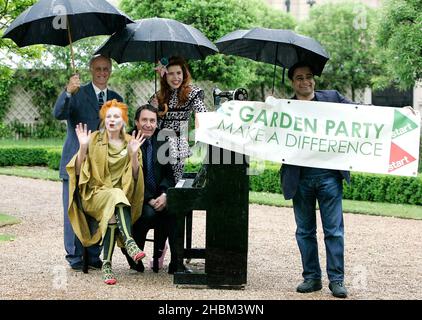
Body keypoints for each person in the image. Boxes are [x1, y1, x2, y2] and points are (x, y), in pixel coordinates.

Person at [280, 62, 352, 298]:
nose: (305, 82)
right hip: (299, 179)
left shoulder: (332, 98)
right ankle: (311, 278)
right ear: (292, 82)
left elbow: (364, 114)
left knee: (334, 231)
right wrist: (269, 111)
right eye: (299, 78)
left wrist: (400, 113)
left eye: (308, 77)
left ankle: (337, 280)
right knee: (304, 231)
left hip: (329, 177)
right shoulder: (283, 108)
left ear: (314, 79)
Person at [53, 55, 123, 270]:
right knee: (73, 209)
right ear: (91, 70)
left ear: (110, 71)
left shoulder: (115, 97)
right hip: (75, 160)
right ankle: (75, 257)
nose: (102, 72)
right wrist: (67, 92)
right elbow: (58, 114)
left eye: (106, 69)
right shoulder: (77, 92)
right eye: (98, 69)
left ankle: (93, 256)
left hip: (102, 165)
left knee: (96, 209)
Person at [66, 99, 146, 285]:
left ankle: (107, 265)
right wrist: (83, 147)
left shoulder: (130, 142)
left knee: (115, 202)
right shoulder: (93, 139)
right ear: (104, 119)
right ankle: (129, 241)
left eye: (116, 116)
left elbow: (135, 177)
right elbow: (77, 172)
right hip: (94, 195)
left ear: (123, 120)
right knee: (115, 196)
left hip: (121, 198)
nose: (112, 119)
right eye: (108, 116)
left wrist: (134, 155)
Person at [121, 104, 190, 274]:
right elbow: (127, 177)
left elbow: (169, 173)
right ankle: (133, 256)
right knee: (149, 214)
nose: (148, 124)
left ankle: (176, 263)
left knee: (173, 211)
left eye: (152, 121)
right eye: (144, 120)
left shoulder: (162, 139)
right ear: (136, 122)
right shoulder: (127, 141)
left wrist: (165, 194)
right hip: (137, 197)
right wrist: (149, 198)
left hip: (160, 194)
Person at [151, 56, 207, 183]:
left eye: (179, 73)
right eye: (171, 73)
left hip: (176, 143)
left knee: (173, 181)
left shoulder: (191, 93)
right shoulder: (158, 96)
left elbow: (202, 113)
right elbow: (148, 120)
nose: (176, 77)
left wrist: (201, 132)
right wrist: (153, 109)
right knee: (156, 179)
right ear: (165, 75)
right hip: (158, 142)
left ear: (184, 74)